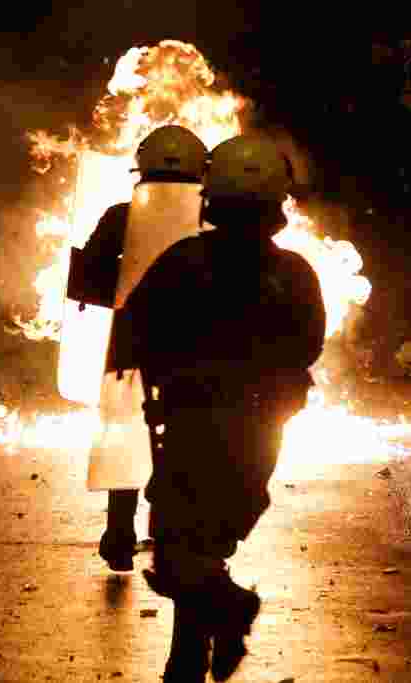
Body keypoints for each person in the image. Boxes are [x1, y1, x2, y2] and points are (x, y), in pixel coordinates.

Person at [122, 133, 326, 682]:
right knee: (206, 541)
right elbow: (308, 347)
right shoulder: (296, 274)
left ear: (212, 197)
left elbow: (136, 325)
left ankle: (227, 614)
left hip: (191, 423)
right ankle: (192, 654)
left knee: (177, 548)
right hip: (259, 433)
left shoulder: (183, 261)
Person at [74, 126, 208, 572]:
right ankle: (170, 532)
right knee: (190, 439)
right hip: (197, 345)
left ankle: (118, 534)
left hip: (133, 342)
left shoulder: (121, 216)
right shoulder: (214, 217)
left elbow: (87, 280)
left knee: (124, 432)